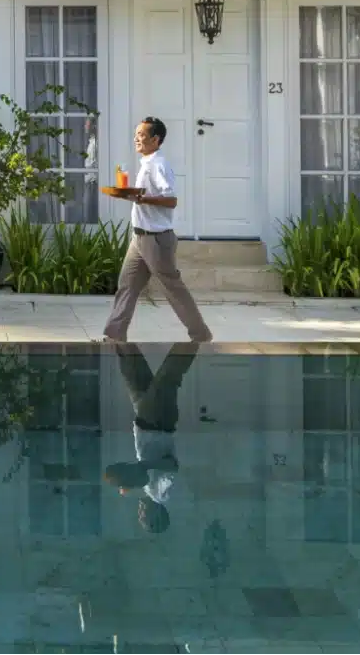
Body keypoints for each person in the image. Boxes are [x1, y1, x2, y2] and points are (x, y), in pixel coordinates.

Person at [101, 117, 213, 343]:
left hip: (156, 239)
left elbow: (171, 200)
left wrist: (140, 198)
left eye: (141, 135)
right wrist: (134, 196)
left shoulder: (159, 164)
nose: (136, 139)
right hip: (139, 237)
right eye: (136, 134)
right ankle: (114, 335)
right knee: (127, 285)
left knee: (173, 288)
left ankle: (201, 334)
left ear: (155, 139)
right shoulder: (147, 162)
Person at [103, 342, 199, 534]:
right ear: (154, 517)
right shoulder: (161, 495)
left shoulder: (151, 491)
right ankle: (194, 338)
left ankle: (119, 336)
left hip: (144, 418)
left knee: (132, 371)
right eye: (142, 518)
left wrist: (131, 481)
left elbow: (148, 474)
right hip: (157, 421)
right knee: (168, 378)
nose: (139, 513)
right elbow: (172, 466)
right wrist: (141, 468)